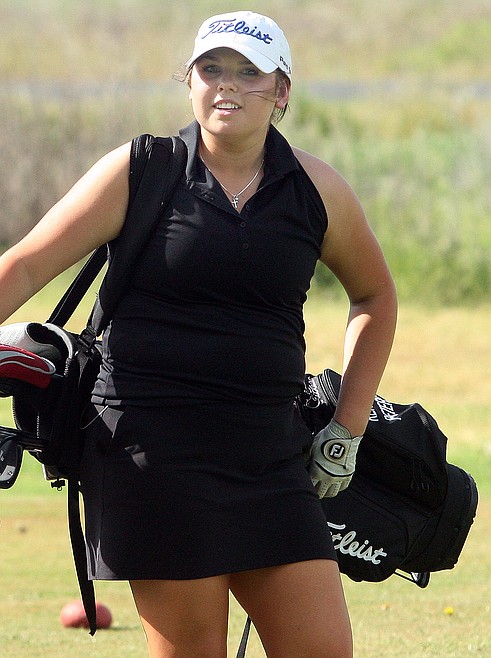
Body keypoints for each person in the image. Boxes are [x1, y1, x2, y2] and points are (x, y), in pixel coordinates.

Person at [0, 11, 397, 658]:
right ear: (189, 81)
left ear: (281, 90)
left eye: (248, 72)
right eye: (211, 68)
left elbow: (375, 295)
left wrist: (346, 429)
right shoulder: (141, 170)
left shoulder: (317, 190)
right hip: (151, 460)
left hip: (270, 458)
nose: (227, 85)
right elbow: (22, 266)